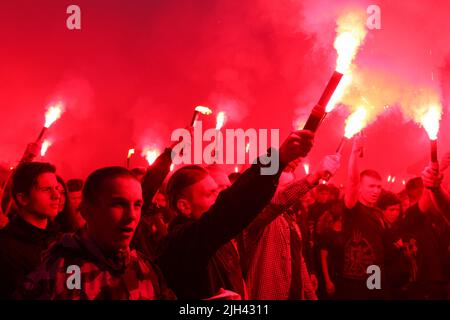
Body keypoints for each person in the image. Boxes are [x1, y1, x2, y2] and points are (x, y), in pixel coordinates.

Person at [158, 130, 315, 299]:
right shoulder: (182, 242)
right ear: (184, 206)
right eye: (212, 193)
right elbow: (231, 206)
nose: (220, 198)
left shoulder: (221, 242)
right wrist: (277, 159)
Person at [16, 166, 174, 300]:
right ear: (87, 211)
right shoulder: (61, 273)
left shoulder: (145, 267)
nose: (132, 215)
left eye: (137, 205)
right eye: (118, 204)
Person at [241, 154, 340, 300]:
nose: (294, 191)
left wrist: (310, 292)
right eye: (288, 187)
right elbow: (277, 203)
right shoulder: (258, 217)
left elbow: (296, 258)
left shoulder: (290, 217)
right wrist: (315, 175)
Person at [0, 162, 61, 299]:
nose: (56, 195)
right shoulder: (5, 248)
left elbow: (73, 285)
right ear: (23, 198)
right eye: (46, 189)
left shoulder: (62, 240)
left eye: (57, 188)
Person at [340, 134, 387, 299]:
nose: (376, 191)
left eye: (379, 187)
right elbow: (352, 181)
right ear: (360, 188)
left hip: (375, 278)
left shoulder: (378, 214)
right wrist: (354, 153)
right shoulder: (352, 208)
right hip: (354, 280)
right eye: (371, 186)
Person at [400, 164, 450, 300]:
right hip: (422, 285)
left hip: (440, 282)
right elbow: (425, 202)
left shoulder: (437, 218)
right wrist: (438, 171)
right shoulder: (411, 215)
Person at [317, 200, 345, 299]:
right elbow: (323, 259)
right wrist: (327, 280)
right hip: (332, 274)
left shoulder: (346, 232)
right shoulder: (328, 234)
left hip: (342, 274)